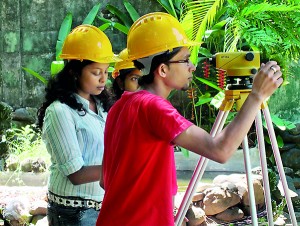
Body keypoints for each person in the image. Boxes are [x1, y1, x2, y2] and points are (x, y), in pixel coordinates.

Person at [96, 12, 283, 226]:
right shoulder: (155, 108)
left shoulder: (121, 105)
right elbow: (220, 150)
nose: (192, 66)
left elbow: (105, 181)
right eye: (185, 60)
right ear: (163, 69)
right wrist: (256, 96)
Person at [37, 24, 120, 226]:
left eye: (106, 72)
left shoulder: (103, 106)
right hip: (73, 212)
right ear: (75, 72)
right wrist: (121, 167)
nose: (103, 78)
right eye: (95, 72)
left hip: (102, 205)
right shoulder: (60, 111)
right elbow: (75, 173)